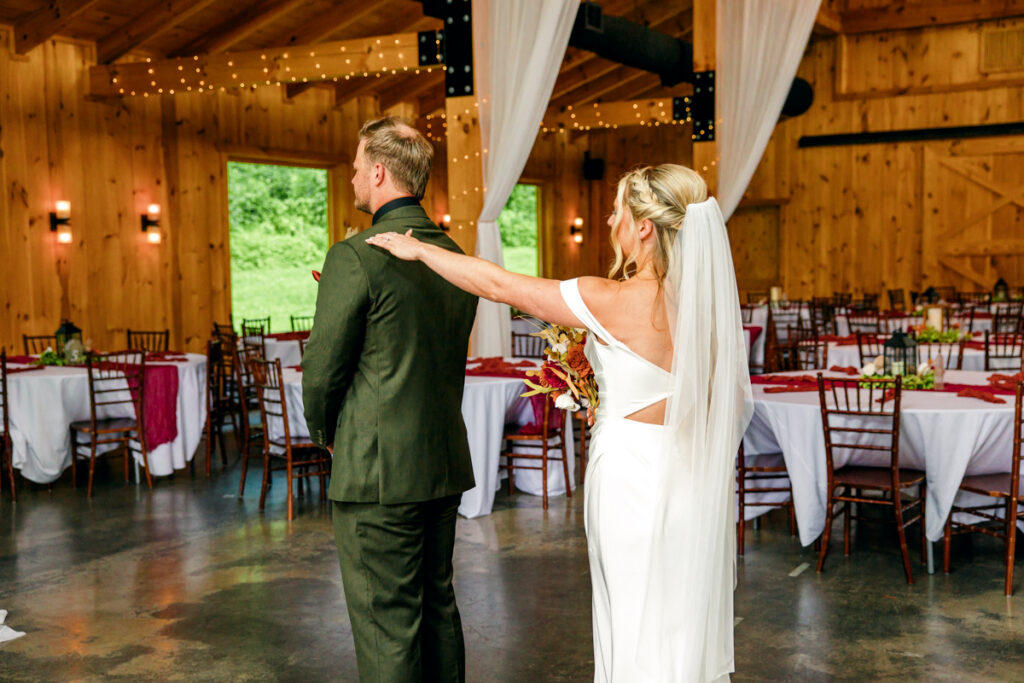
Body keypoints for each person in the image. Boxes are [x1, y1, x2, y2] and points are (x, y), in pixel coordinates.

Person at [368, 164, 752, 682]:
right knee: (676, 619)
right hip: (689, 477)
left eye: (618, 209)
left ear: (643, 225)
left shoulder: (612, 299)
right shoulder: (704, 309)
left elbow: (500, 286)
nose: (610, 217)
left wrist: (422, 250)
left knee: (631, 614)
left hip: (629, 481)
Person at [302, 116, 479, 683]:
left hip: (377, 471)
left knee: (387, 626)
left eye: (357, 166)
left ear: (379, 172)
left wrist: (326, 437)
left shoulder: (353, 257)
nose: (353, 176)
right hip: (442, 463)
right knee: (438, 610)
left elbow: (322, 374)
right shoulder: (454, 256)